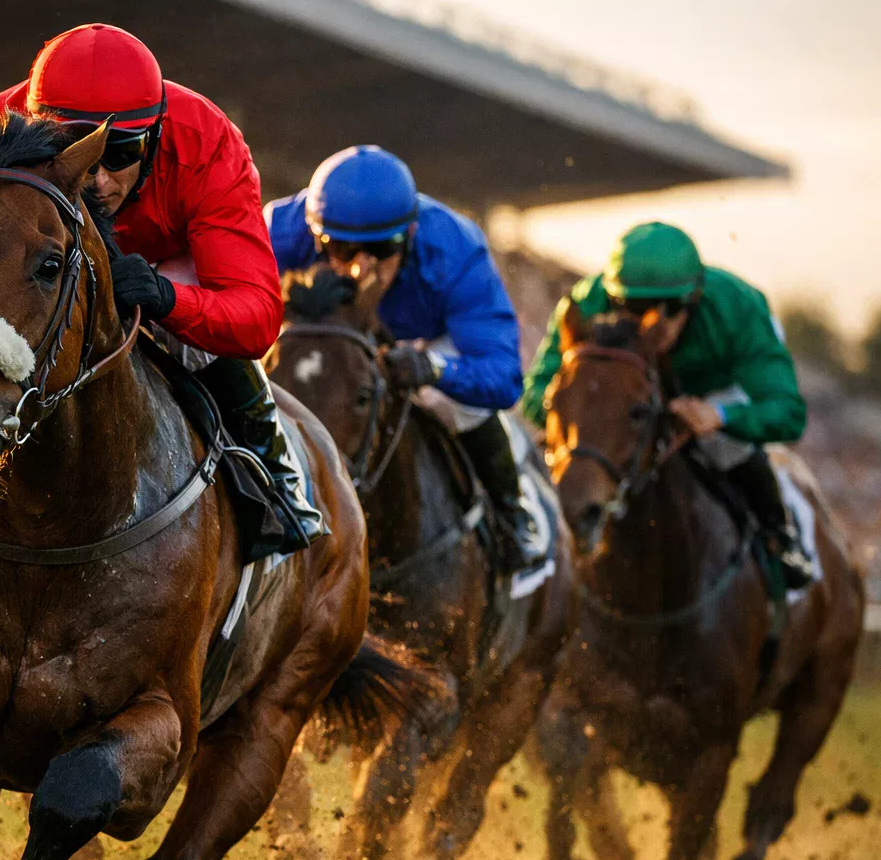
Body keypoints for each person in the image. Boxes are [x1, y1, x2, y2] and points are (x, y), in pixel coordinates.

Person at [0, 23, 322, 553]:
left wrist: (168, 297)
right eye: (71, 149)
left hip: (162, 263)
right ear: (37, 125)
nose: (97, 179)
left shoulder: (207, 143)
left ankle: (274, 478)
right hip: (43, 263)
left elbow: (257, 315)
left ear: (156, 132)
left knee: (196, 342)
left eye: (118, 151)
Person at [266, 145, 544, 572]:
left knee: (455, 403)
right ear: (314, 234)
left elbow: (503, 377)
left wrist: (433, 369)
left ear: (410, 235)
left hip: (426, 344)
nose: (361, 268)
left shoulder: (456, 249)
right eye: (340, 248)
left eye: (381, 248)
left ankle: (511, 512)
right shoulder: (277, 232)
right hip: (334, 340)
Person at [521, 221, 812, 587]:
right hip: (628, 403)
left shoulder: (738, 308)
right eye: (631, 306)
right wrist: (584, 419)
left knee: (726, 447)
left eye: (665, 309)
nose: (649, 321)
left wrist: (721, 416)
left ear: (693, 300)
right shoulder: (584, 302)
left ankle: (779, 537)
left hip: (711, 393)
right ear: (613, 296)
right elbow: (537, 392)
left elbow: (788, 413)